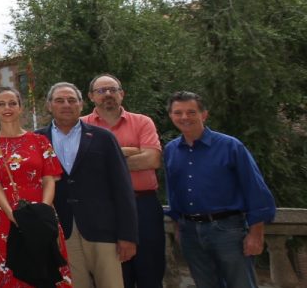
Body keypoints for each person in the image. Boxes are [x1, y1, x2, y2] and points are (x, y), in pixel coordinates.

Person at [165, 91, 276, 288]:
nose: (184, 117)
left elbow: (254, 188)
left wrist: (256, 233)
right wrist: (178, 228)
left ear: (204, 115)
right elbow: (173, 191)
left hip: (228, 230)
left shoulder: (230, 146)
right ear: (171, 116)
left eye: (191, 112)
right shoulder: (171, 150)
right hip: (190, 232)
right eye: (178, 112)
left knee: (241, 284)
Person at [37, 82, 137, 288]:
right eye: (59, 100)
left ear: (81, 105)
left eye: (72, 100)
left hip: (103, 230)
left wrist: (128, 235)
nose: (66, 105)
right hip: (61, 232)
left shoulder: (104, 138)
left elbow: (123, 188)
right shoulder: (36, 140)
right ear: (49, 105)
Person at [0, 87, 72, 288]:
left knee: (48, 272)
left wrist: (42, 212)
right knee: (11, 274)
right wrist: (14, 216)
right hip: (7, 219)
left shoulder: (39, 141)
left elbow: (49, 179)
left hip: (42, 217)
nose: (7, 108)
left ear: (21, 108)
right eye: (1, 104)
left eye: (12, 103)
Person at [82, 74, 164, 288]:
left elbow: (152, 159)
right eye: (101, 91)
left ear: (122, 93)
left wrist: (103, 160)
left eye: (112, 89)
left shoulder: (142, 122)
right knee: (116, 275)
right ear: (91, 97)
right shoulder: (80, 127)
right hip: (103, 210)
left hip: (143, 206)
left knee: (150, 271)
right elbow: (82, 168)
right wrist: (129, 151)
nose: (107, 94)